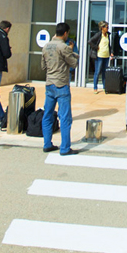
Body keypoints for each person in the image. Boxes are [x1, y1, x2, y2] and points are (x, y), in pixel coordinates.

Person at [42, 22, 80, 155]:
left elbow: (43, 66)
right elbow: (74, 63)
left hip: (49, 84)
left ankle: (47, 144)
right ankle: (65, 148)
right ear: (65, 33)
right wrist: (72, 50)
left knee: (47, 115)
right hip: (62, 85)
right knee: (64, 117)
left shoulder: (46, 46)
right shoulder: (63, 47)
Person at [88, 21, 111, 92]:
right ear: (102, 28)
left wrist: (111, 52)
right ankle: (95, 87)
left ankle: (104, 87)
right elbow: (90, 41)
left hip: (106, 56)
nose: (108, 28)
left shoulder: (108, 35)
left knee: (104, 72)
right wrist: (95, 47)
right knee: (97, 72)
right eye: (106, 27)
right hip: (99, 56)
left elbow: (109, 45)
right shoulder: (98, 35)